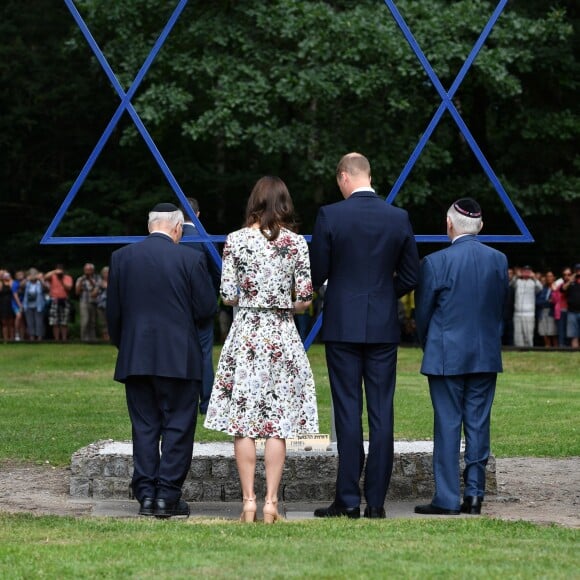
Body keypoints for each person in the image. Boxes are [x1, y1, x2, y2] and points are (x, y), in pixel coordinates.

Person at [310, 152, 419, 519]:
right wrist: (386, 294)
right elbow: (411, 274)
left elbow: (318, 269)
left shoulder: (330, 215)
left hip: (342, 322)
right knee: (381, 411)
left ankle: (347, 499)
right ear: (369, 176)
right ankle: (376, 501)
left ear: (344, 177)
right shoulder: (398, 217)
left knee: (347, 410)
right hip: (383, 326)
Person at [204, 176, 319, 524]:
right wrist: (282, 301)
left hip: (247, 333)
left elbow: (227, 295)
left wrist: (251, 297)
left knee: (245, 421)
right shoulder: (296, 244)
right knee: (278, 422)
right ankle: (271, 503)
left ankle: (248, 502)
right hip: (282, 333)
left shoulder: (235, 241)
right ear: (284, 202)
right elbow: (305, 299)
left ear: (254, 201)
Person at [106, 203, 217, 519]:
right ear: (178, 228)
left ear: (150, 226)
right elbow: (207, 308)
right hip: (179, 358)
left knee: (144, 427)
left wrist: (125, 346)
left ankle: (146, 496)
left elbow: (113, 313)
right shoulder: (190, 259)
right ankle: (167, 496)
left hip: (136, 357)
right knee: (178, 427)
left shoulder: (122, 258)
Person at [414, 198, 508, 516]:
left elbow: (423, 314)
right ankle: (475, 495)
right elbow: (499, 308)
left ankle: (448, 497)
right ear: (480, 226)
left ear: (448, 223)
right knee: (479, 424)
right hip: (484, 351)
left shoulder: (435, 262)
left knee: (448, 425)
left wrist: (429, 343)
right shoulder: (498, 260)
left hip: (445, 352)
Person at [179, 197, 221, 415]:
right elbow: (218, 273)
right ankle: (206, 403)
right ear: (197, 215)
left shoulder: (174, 238)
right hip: (203, 306)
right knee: (205, 355)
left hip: (177, 306)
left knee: (178, 353)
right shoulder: (207, 240)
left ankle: (182, 403)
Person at [510, 265, 542, 347]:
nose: (526, 273)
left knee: (529, 333)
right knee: (518, 333)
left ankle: (529, 348)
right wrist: (517, 276)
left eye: (528, 271)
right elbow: (511, 284)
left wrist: (534, 277)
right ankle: (518, 349)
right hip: (518, 313)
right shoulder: (518, 282)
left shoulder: (533, 283)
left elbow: (540, 288)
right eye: (524, 271)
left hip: (529, 313)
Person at [44, 264, 74, 341]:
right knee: (55, 322)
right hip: (55, 300)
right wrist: (55, 272)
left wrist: (61, 280)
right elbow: (45, 277)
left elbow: (69, 287)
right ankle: (56, 339)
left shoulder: (67, 278)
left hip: (64, 300)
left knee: (64, 321)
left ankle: (64, 339)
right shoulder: (52, 277)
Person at [75, 263, 101, 342]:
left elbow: (97, 289)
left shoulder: (97, 278)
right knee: (85, 320)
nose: (87, 272)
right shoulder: (80, 279)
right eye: (86, 270)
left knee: (92, 322)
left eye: (89, 270)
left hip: (94, 302)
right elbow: (77, 292)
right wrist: (82, 281)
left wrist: (89, 279)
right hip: (84, 302)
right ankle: (84, 339)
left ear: (93, 270)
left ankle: (92, 339)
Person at [22, 268, 47, 341]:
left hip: (39, 305)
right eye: (31, 274)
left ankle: (39, 337)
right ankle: (32, 336)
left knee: (39, 321)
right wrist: (27, 279)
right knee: (30, 321)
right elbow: (21, 286)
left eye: (34, 274)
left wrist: (41, 280)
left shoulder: (40, 283)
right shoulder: (27, 283)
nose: (33, 276)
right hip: (28, 305)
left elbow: (46, 288)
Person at [536, 270, 558, 347]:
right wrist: (547, 301)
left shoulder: (557, 288)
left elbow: (556, 302)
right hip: (542, 313)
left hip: (552, 313)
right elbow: (537, 302)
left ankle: (556, 349)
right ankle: (547, 347)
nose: (549, 278)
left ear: (554, 277)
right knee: (543, 332)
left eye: (551, 276)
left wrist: (547, 302)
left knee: (553, 332)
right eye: (547, 276)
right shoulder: (542, 289)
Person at [562, 263, 580, 349]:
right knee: (574, 335)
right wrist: (570, 280)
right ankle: (575, 354)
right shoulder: (570, 282)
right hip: (572, 312)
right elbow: (563, 289)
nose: (579, 272)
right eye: (577, 270)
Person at [92, 266, 109, 341]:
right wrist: (99, 287)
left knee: (112, 321)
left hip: (111, 305)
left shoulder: (115, 281)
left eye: (107, 272)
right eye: (105, 273)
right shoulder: (99, 282)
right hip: (101, 305)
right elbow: (93, 294)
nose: (106, 274)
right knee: (103, 322)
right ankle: (105, 338)